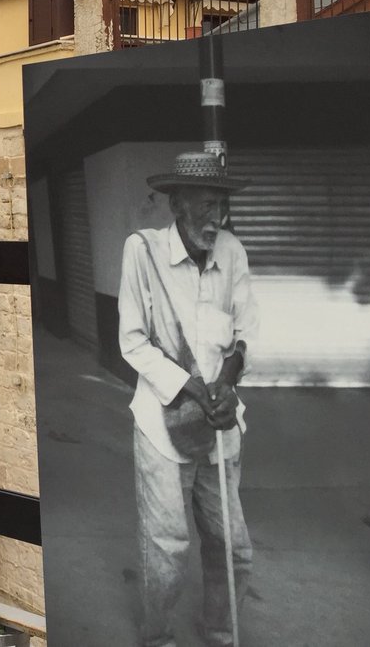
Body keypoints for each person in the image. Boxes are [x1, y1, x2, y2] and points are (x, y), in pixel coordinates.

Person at [118, 151, 258, 647]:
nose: (215, 218)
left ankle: (220, 631)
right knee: (168, 547)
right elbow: (132, 341)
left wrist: (229, 382)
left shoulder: (232, 251)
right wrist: (198, 388)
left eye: (221, 205)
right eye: (205, 205)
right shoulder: (143, 252)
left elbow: (245, 332)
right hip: (162, 426)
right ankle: (158, 637)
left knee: (233, 547)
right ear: (177, 204)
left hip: (221, 425)